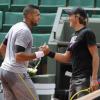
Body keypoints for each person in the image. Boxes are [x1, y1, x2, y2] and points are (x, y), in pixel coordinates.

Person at [40, 7, 99, 99]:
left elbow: (95, 56)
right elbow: (66, 57)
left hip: (84, 79)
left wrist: (94, 79)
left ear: (77, 17)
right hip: (73, 79)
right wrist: (48, 53)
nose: (68, 18)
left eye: (70, 15)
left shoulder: (87, 32)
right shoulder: (74, 36)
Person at [0, 4, 46, 100]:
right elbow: (19, 56)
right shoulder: (25, 31)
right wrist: (40, 53)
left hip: (4, 70)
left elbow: (2, 48)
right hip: (16, 72)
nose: (39, 18)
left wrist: (9, 63)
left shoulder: (15, 26)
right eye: (37, 15)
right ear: (29, 15)